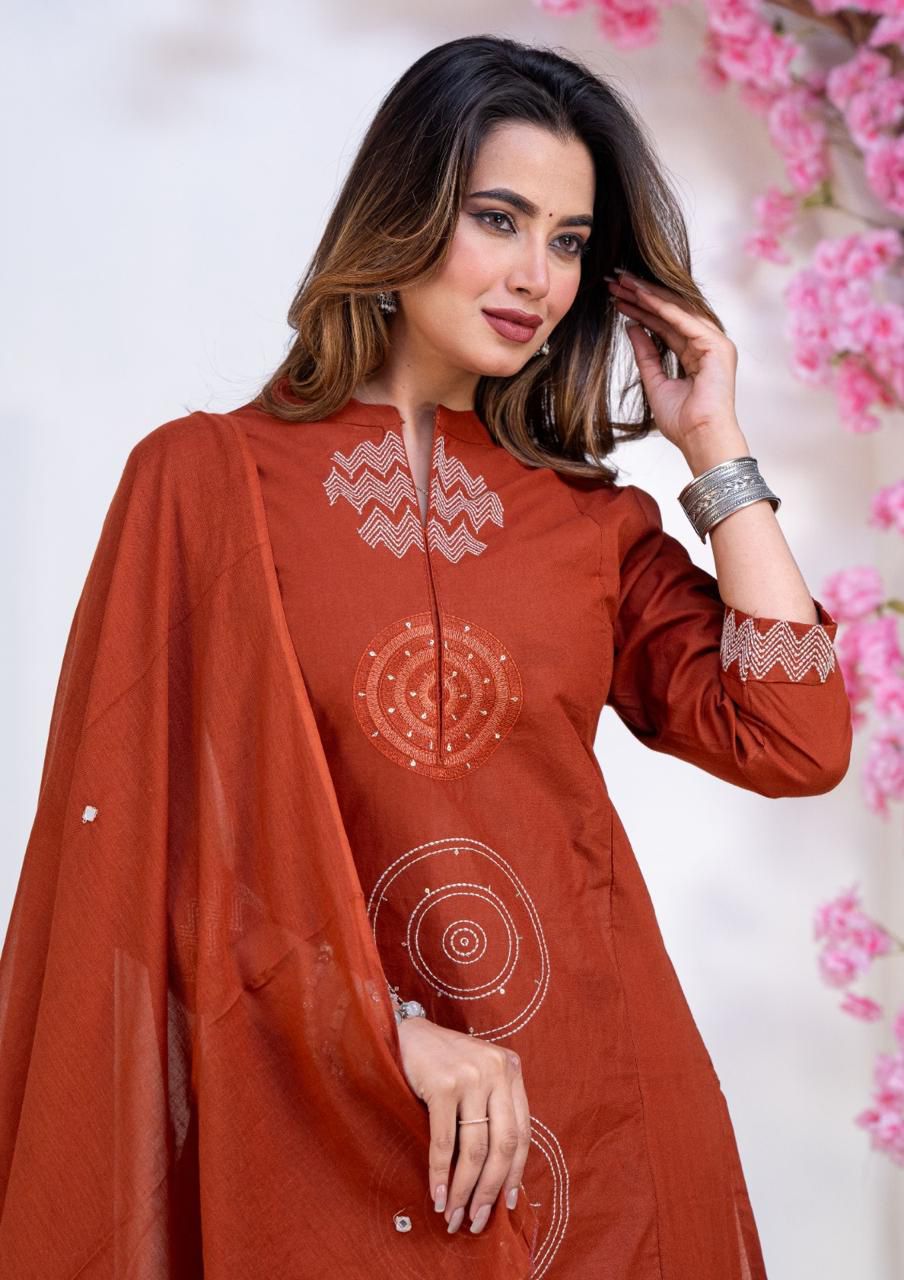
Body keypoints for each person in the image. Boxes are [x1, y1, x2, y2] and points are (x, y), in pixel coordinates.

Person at [0, 33, 851, 1280]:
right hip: (314, 1110)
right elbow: (138, 848)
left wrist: (714, 445)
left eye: (568, 241)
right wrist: (378, 1025)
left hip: (597, 1120)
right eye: (498, 219)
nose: (535, 276)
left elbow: (794, 739)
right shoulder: (206, 482)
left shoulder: (588, 521)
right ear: (401, 210)